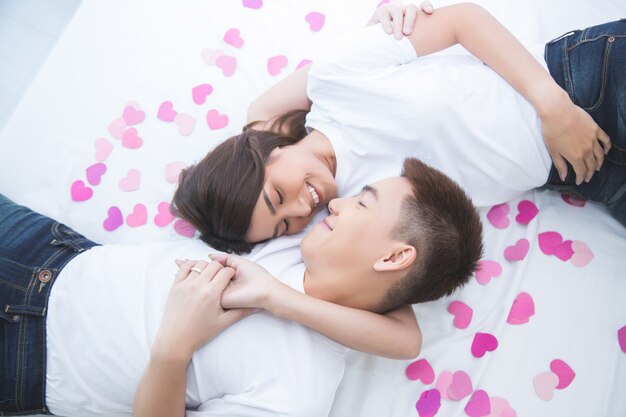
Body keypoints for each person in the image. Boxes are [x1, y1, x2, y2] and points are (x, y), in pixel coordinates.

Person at [0, 157, 483, 416]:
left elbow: (406, 336)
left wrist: (174, 347)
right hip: (47, 252)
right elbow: (405, 339)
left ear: (394, 257)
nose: (336, 204)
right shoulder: (295, 233)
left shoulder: (299, 394)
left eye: (363, 204)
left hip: (24, 355)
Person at [171, 3, 625, 254]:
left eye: (276, 196)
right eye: (282, 225)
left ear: (262, 151)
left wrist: (553, 106)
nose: (299, 209)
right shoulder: (354, 213)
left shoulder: (334, 82)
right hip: (584, 172)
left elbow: (463, 20)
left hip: (576, 83)